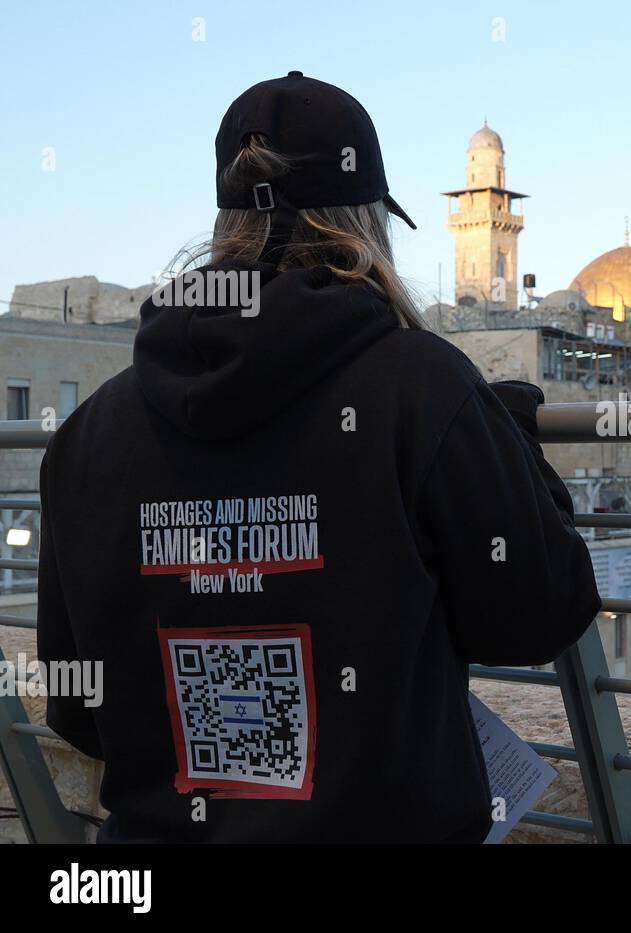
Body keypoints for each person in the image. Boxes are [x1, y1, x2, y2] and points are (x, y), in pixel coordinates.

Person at [36, 72, 601, 842]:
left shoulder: (89, 433)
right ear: (366, 221)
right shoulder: (423, 391)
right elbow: (542, 613)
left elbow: (79, 709)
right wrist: (504, 440)